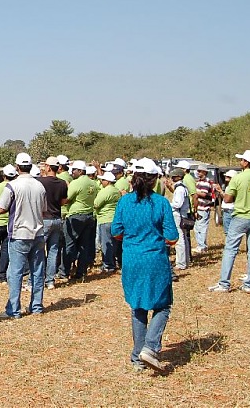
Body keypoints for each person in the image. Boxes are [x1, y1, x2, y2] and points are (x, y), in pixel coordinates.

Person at [111, 158, 178, 374]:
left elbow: (116, 232)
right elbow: (172, 237)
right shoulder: (161, 203)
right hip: (155, 259)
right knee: (162, 305)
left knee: (138, 307)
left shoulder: (124, 202)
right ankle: (150, 347)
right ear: (154, 180)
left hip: (131, 259)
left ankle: (137, 358)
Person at [209, 150, 250, 294]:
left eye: (242, 160)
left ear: (246, 163)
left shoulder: (238, 178)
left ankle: (224, 283)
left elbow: (227, 199)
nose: (240, 162)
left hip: (240, 216)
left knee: (230, 249)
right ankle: (249, 284)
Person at [0, 153, 48, 318]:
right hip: (38, 233)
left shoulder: (12, 186)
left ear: (17, 167)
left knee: (15, 272)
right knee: (38, 272)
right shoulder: (40, 186)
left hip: (19, 233)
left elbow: (1, 209)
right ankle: (37, 306)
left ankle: (14, 309)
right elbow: (44, 209)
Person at [64, 160, 98, 281]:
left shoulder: (76, 183)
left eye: (74, 170)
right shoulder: (93, 183)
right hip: (89, 215)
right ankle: (81, 272)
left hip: (76, 215)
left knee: (70, 244)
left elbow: (67, 199)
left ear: (80, 171)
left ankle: (65, 271)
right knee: (84, 245)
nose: (72, 172)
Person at [37, 156, 68, 288]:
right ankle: (50, 280)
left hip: (44, 219)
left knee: (39, 251)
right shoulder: (62, 183)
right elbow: (63, 201)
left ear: (48, 167)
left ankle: (37, 279)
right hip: (57, 219)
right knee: (53, 251)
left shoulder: (40, 182)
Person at [94, 171, 121, 274]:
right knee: (113, 243)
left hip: (105, 219)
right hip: (114, 219)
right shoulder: (116, 191)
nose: (101, 181)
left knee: (106, 243)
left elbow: (96, 204)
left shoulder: (105, 191)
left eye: (103, 180)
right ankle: (112, 262)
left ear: (108, 181)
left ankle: (108, 265)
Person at [167, 169, 192, 272]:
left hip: (179, 215)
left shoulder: (180, 189)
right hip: (183, 215)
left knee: (180, 240)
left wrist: (168, 204)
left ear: (178, 177)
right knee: (184, 239)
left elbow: (178, 204)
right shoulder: (182, 187)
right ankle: (185, 261)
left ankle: (181, 263)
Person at [193, 166, 214, 253]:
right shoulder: (199, 182)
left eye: (200, 171)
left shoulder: (205, 182)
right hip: (199, 207)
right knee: (197, 227)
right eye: (198, 171)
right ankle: (201, 245)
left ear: (204, 172)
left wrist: (193, 191)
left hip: (203, 207)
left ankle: (202, 246)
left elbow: (204, 194)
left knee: (201, 227)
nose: (198, 173)